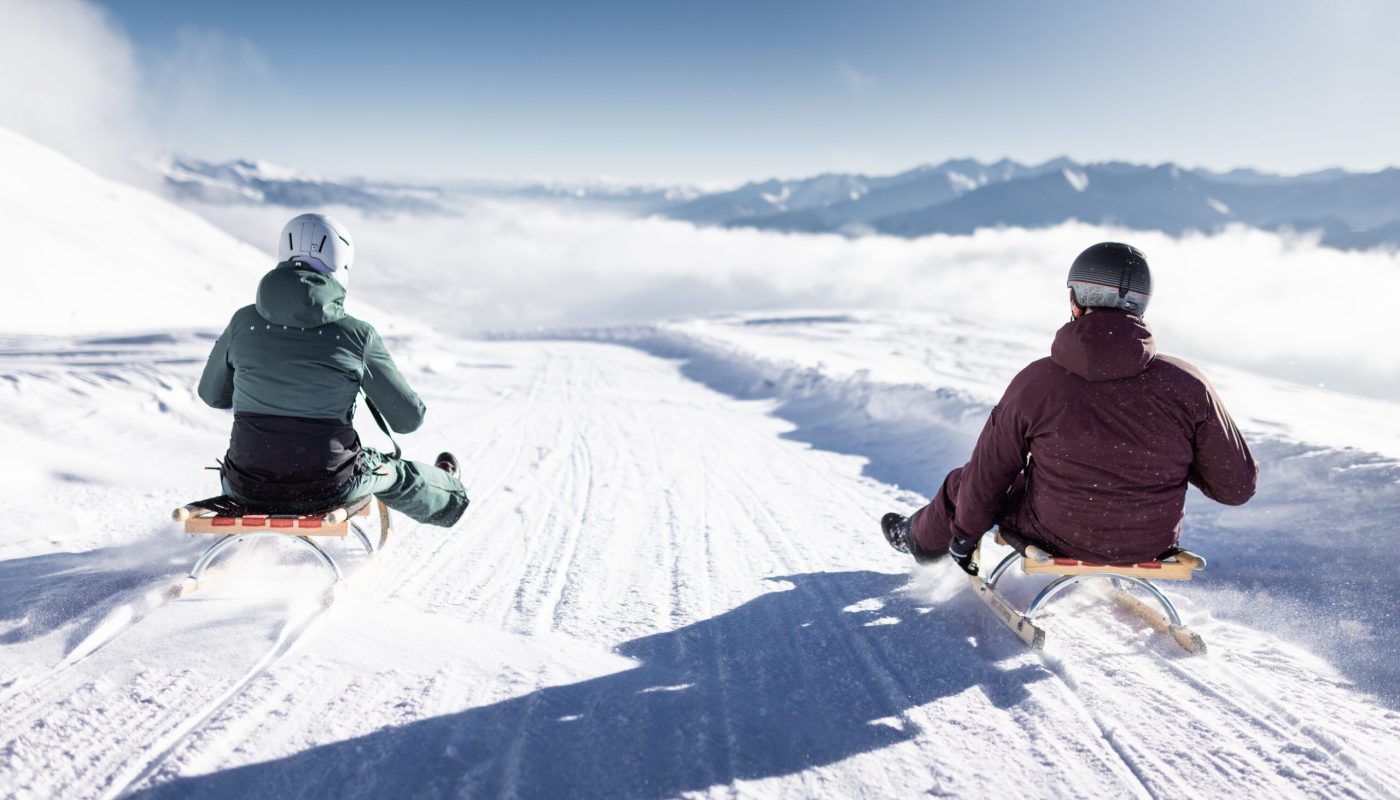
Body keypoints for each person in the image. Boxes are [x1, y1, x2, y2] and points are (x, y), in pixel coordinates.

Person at [881, 242, 1256, 567]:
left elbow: (989, 472)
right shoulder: (1187, 384)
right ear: (1141, 306)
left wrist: (964, 534)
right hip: (1148, 541)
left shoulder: (1038, 382)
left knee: (964, 483)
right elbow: (1236, 487)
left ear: (1075, 302)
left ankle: (918, 542)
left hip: (1054, 535)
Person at [197, 213, 469, 527]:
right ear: (341, 265)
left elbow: (211, 396)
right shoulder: (356, 335)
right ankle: (448, 490)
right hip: (327, 487)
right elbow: (408, 420)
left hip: (245, 485)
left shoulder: (243, 322)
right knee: (391, 470)